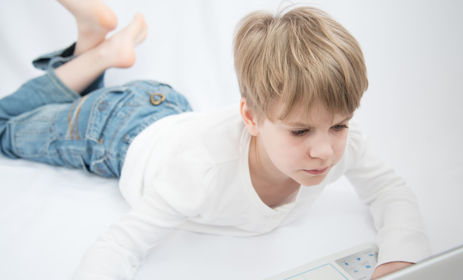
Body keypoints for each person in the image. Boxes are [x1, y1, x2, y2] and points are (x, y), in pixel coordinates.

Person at [0, 0, 431, 279]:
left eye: (339, 125)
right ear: (251, 116)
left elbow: (389, 189)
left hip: (170, 112)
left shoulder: (341, 144)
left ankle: (96, 47)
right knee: (4, 127)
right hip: (113, 131)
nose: (324, 150)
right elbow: (117, 247)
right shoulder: (201, 177)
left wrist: (402, 256)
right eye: (300, 131)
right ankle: (99, 53)